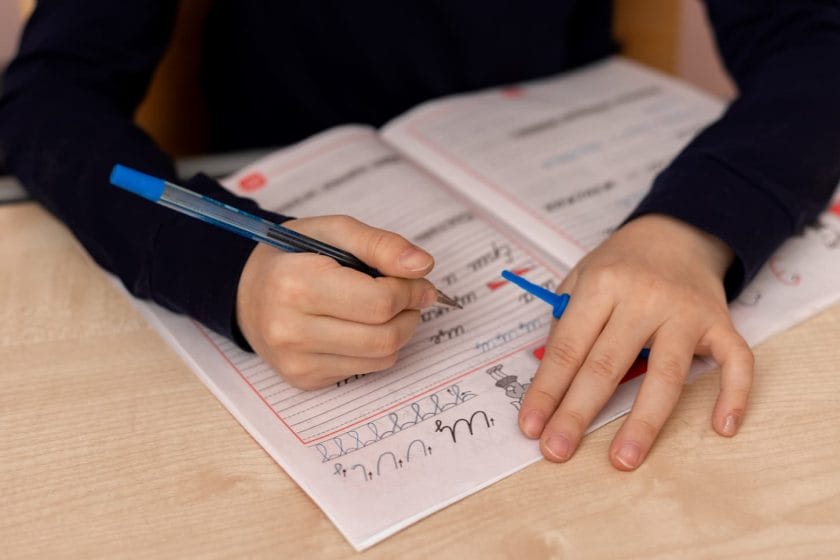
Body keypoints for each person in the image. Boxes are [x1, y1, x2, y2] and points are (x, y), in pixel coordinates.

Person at [1, 1, 838, 472]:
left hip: (579, 175)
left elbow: (817, 38)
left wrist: (691, 228)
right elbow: (44, 99)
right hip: (285, 207)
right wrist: (224, 264)